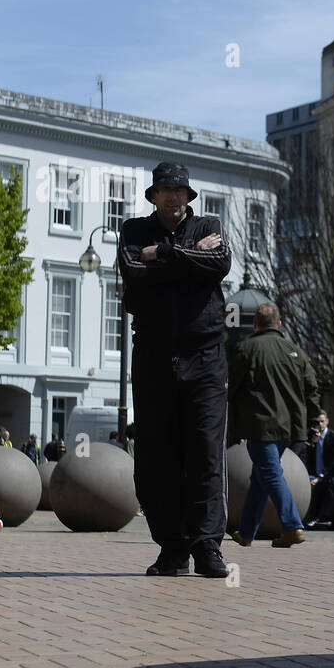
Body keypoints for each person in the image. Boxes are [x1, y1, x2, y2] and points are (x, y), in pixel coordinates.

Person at [117, 160, 232, 578]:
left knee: (204, 452)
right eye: (165, 190)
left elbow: (219, 264)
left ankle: (207, 547)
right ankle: (172, 548)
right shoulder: (133, 231)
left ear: (188, 196)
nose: (172, 196)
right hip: (152, 356)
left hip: (204, 357)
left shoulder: (209, 227)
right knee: (155, 456)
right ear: (154, 196)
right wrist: (187, 263)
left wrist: (163, 255)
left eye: (179, 191)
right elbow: (134, 271)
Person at [227, 303, 322, 549]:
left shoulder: (246, 349)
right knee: (261, 475)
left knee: (269, 473)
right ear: (279, 324)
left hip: (260, 424)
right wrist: (313, 423)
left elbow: (232, 390)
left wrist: (232, 427)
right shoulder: (296, 352)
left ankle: (292, 526)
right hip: (290, 427)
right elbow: (312, 390)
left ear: (255, 325)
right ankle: (247, 532)